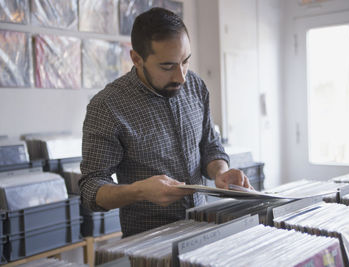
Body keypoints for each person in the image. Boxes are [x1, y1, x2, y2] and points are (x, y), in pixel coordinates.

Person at [79, 7, 252, 237]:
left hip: (205, 230)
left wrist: (221, 172)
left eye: (186, 61)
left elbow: (210, 147)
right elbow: (91, 189)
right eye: (167, 66)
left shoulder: (195, 85)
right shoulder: (108, 106)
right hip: (150, 243)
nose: (180, 76)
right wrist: (139, 191)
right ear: (136, 59)